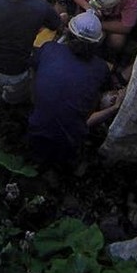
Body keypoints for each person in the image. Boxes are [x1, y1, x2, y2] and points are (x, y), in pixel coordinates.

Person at [28, 10, 123, 166]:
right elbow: (104, 90)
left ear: (70, 32)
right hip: (71, 137)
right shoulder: (100, 68)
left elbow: (34, 66)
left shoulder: (49, 48)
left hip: (37, 127)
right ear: (97, 43)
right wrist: (114, 107)